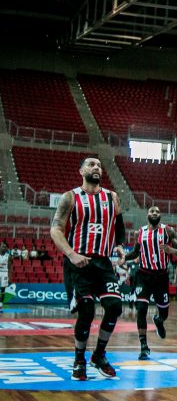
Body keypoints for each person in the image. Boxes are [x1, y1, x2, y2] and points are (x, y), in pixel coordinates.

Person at [50, 157, 127, 380]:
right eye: (91, 164)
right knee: (87, 310)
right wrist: (72, 254)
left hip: (103, 263)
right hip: (78, 263)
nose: (96, 167)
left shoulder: (112, 197)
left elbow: (119, 225)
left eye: (99, 165)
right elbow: (55, 229)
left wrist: (119, 245)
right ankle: (79, 359)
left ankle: (99, 355)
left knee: (114, 306)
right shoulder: (70, 197)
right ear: (81, 171)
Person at [123, 207, 177, 360]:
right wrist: (124, 258)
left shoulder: (168, 231)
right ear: (147, 215)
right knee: (141, 308)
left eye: (157, 212)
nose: (155, 213)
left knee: (164, 313)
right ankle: (143, 346)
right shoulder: (140, 232)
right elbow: (135, 253)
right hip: (143, 275)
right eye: (152, 211)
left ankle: (159, 321)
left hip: (161, 276)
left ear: (160, 215)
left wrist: (170, 250)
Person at [0, 242, 10, 312]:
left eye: (4, 246)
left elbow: (10, 267)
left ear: (6, 248)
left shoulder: (8, 256)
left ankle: (0, 305)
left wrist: (9, 276)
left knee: (3, 290)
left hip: (4, 273)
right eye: (2, 246)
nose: (3, 247)